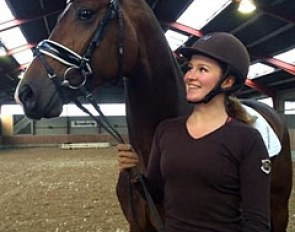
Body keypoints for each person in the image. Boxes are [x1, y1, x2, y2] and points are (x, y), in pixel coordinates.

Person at [117, 32, 270, 232]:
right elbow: (155, 195)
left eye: (202, 69)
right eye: (190, 68)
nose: (190, 76)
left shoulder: (248, 140)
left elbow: (257, 223)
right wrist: (136, 173)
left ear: (227, 81)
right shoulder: (166, 131)